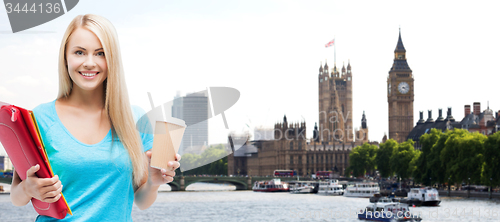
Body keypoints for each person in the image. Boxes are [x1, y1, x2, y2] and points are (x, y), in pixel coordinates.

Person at [10, 14, 180, 221]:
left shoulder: (135, 119)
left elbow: (142, 201)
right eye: (79, 52)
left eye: (100, 53)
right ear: (65, 57)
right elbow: (17, 197)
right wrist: (29, 189)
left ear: (112, 60)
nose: (89, 63)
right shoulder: (39, 118)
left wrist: (153, 183)